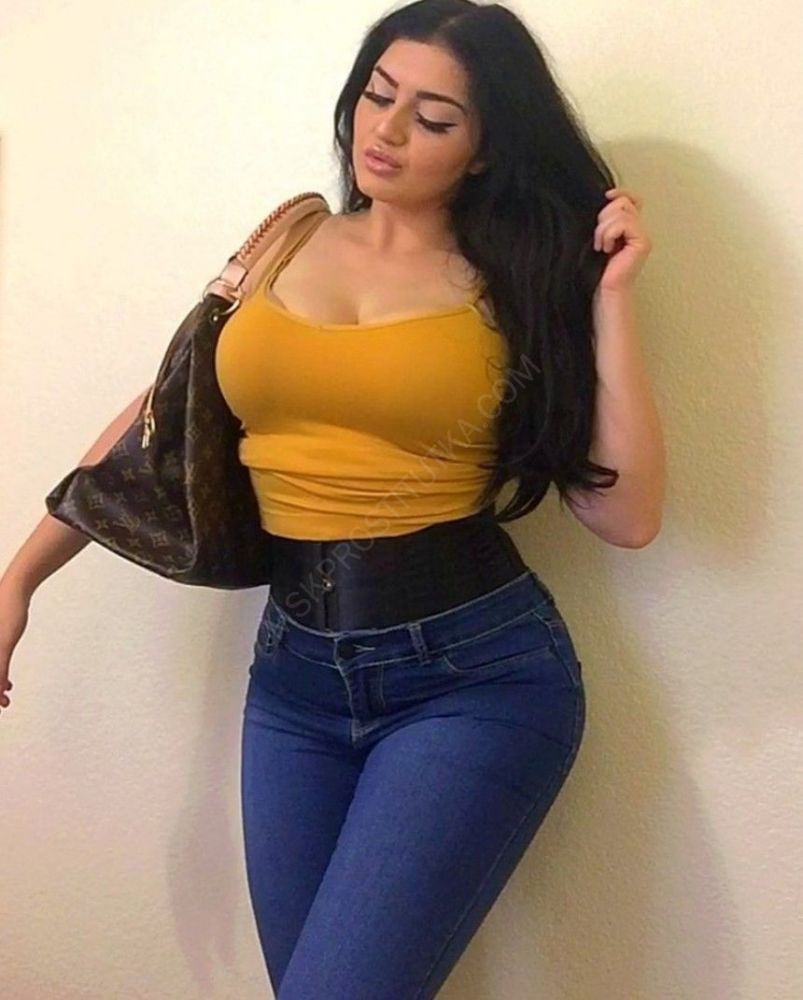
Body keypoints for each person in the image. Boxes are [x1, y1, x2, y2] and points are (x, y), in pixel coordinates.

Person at [1, 1, 664, 996]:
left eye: (432, 118)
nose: (385, 131)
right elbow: (163, 415)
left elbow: (627, 516)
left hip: (470, 676)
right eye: (376, 95)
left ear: (484, 148)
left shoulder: (525, 282)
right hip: (292, 681)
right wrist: (20, 577)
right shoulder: (285, 238)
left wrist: (609, 298)